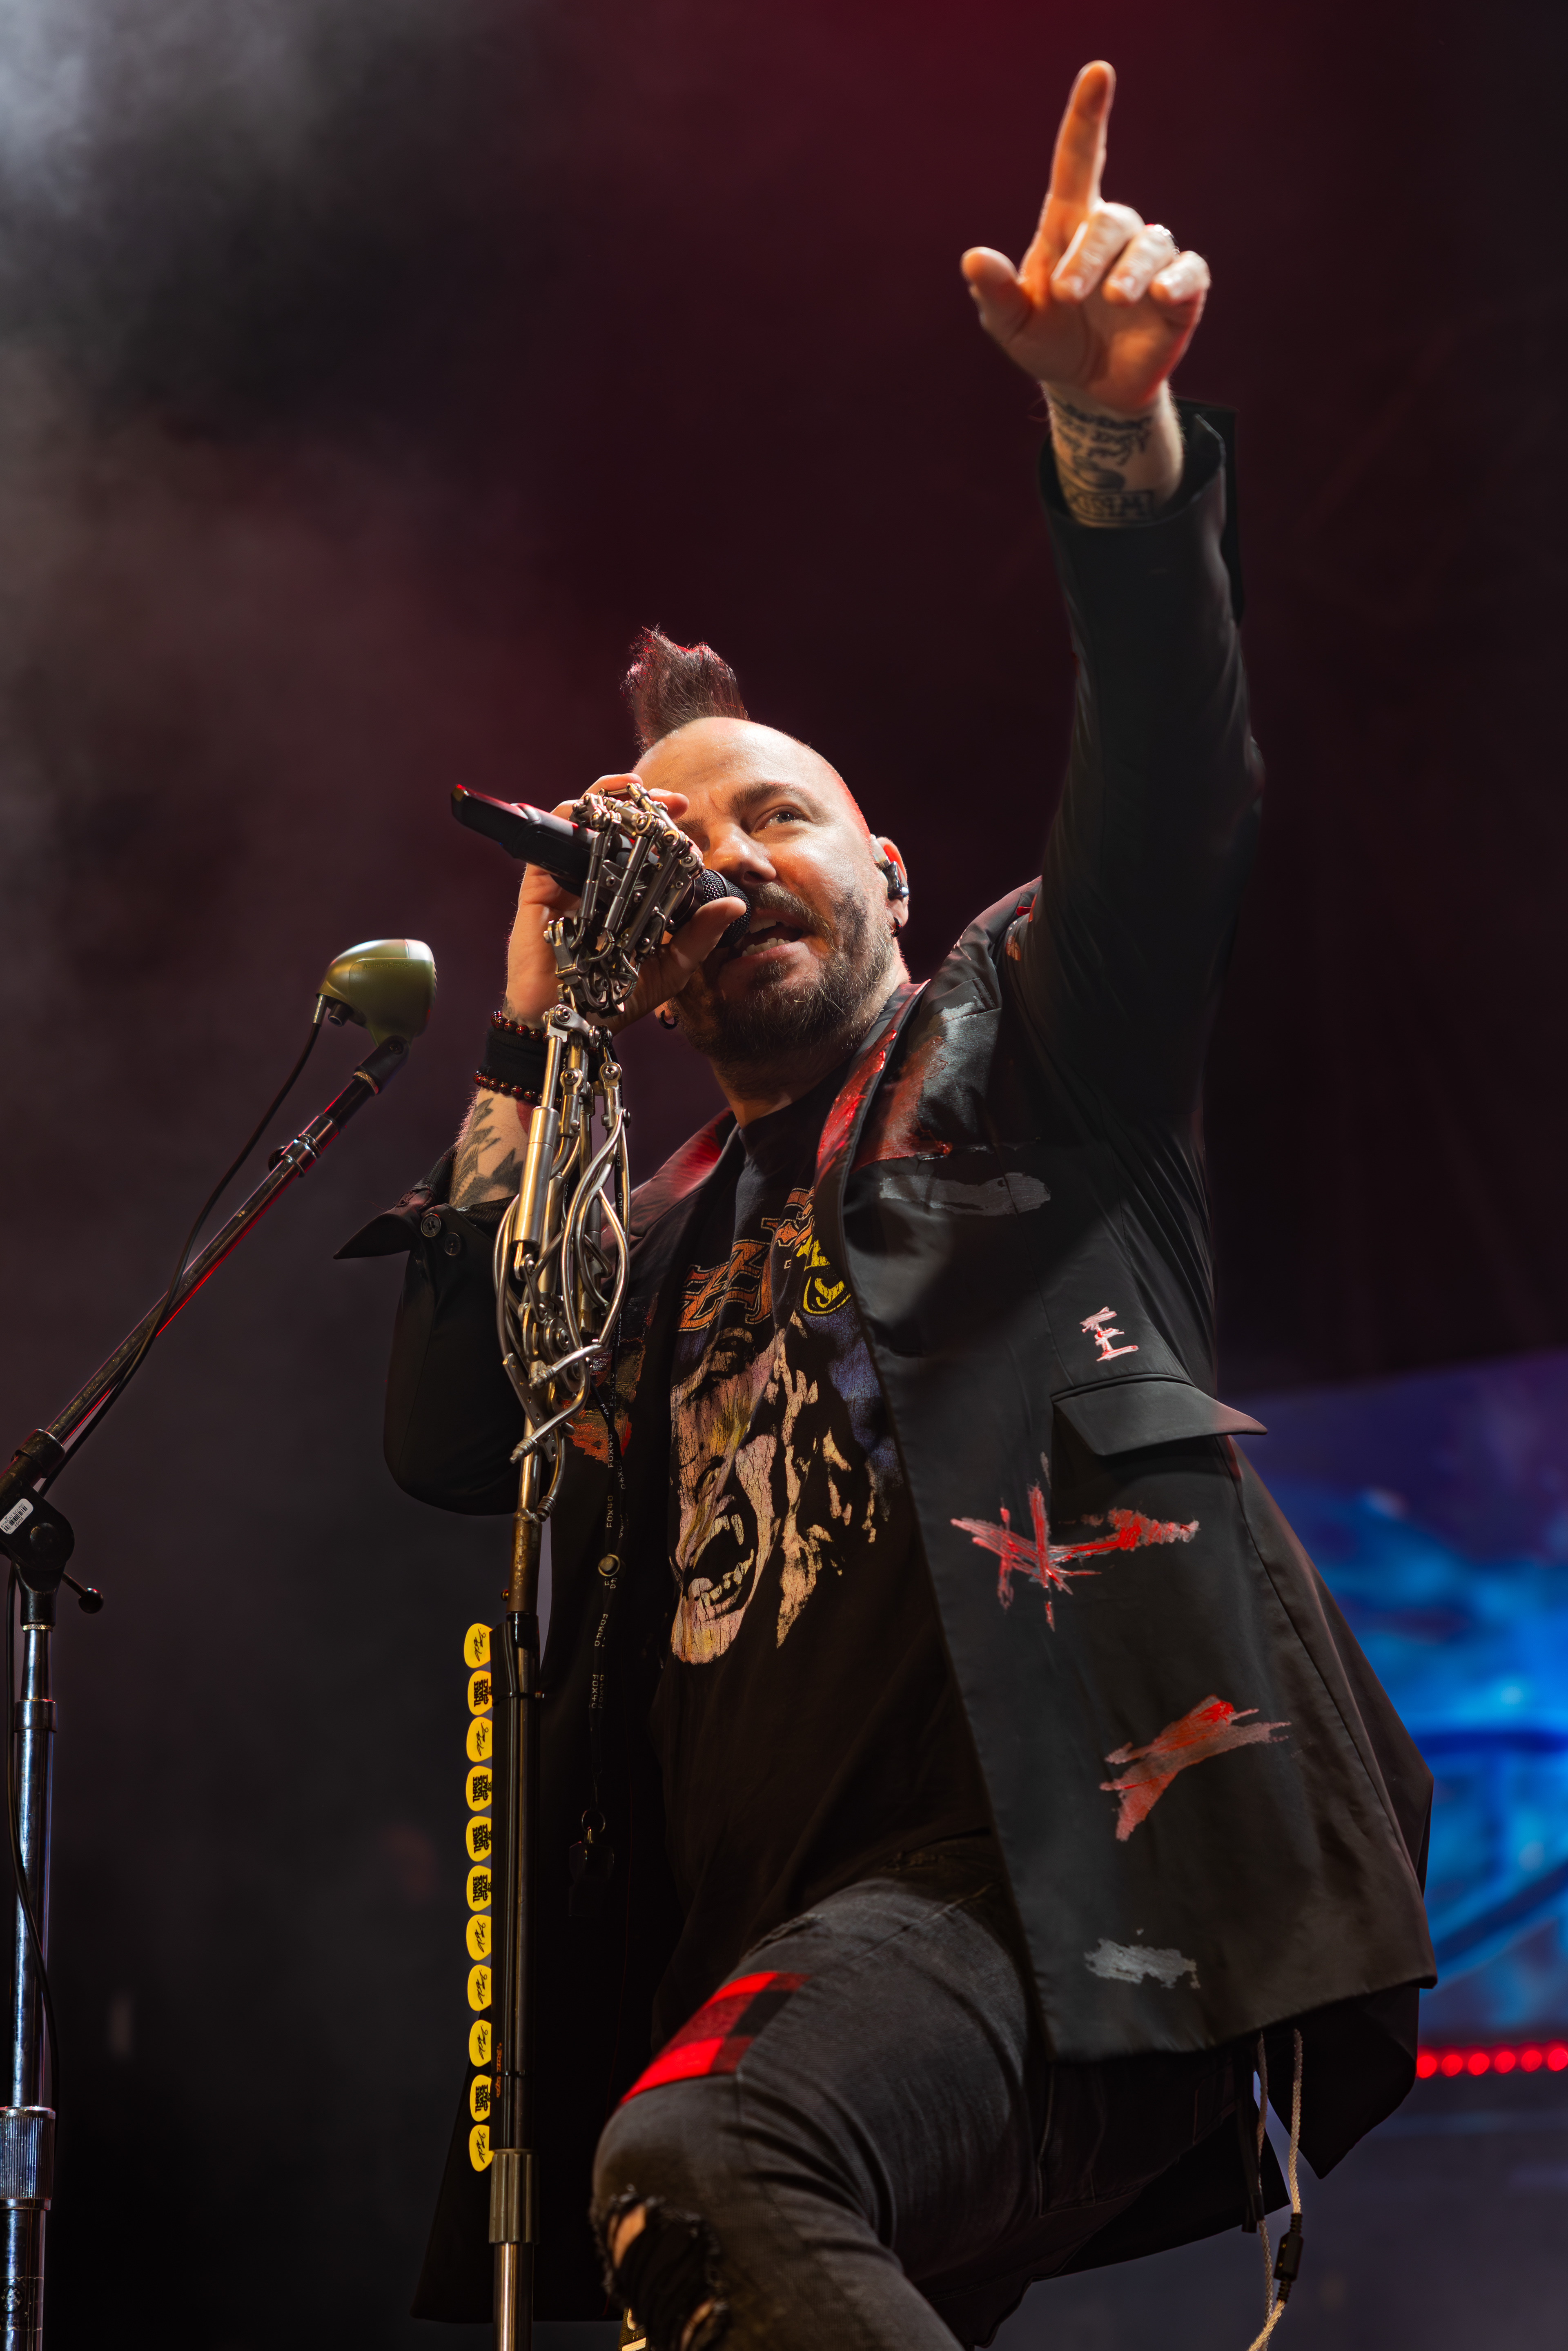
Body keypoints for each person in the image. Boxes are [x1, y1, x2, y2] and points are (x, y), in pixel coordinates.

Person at [346, 58, 1434, 2350]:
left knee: (710, 2158)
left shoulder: (1030, 1044)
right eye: (671, 851)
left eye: (777, 816)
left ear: (894, 870)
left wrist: (1117, 447)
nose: (727, 861)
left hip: (1061, 1871)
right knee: (701, 2241)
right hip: (799, 1945)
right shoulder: (636, 1252)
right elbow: (455, 1438)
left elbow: (1176, 790)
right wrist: (536, 1026)